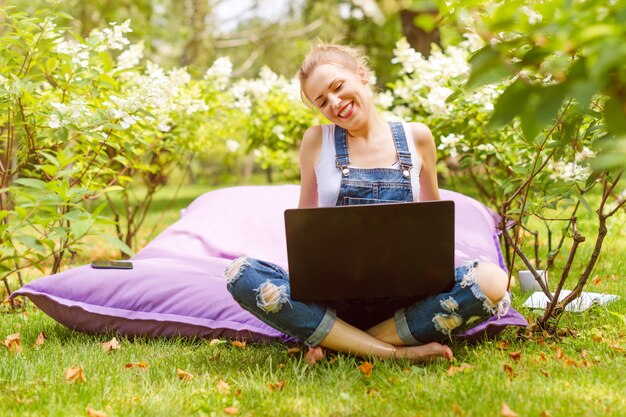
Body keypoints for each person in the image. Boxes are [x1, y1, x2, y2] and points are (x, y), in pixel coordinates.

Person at [224, 43, 510, 363]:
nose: (335, 103)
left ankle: (341, 345)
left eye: (338, 87)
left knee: (493, 280)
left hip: (406, 300)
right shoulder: (316, 141)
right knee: (240, 273)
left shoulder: (417, 137)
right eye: (322, 101)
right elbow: (305, 232)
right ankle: (392, 353)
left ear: (361, 75)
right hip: (337, 302)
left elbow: (434, 224)